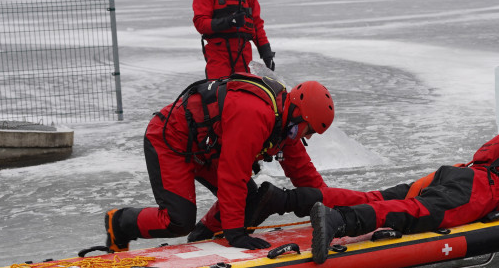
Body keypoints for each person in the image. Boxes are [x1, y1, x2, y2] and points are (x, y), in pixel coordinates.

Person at [303, 105, 499, 263]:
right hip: (478, 192)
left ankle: (296, 200)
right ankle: (339, 220)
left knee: (388, 196)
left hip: (459, 174)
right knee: (414, 212)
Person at [103, 74, 335, 251]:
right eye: (309, 130)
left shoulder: (285, 123)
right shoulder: (255, 115)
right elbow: (232, 176)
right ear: (299, 114)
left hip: (204, 149)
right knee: (178, 220)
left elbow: (305, 174)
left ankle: (202, 237)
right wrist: (235, 234)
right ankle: (119, 223)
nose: (308, 136)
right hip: (171, 140)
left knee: (248, 198)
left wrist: (333, 211)